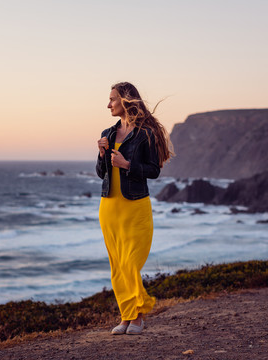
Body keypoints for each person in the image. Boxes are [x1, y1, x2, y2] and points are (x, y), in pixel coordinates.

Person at [96, 82, 174, 335]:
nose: (108, 105)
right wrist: (101, 155)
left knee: (130, 263)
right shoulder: (107, 133)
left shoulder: (145, 134)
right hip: (109, 206)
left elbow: (154, 170)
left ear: (126, 101)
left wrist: (127, 164)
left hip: (135, 205)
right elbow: (101, 173)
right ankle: (126, 316)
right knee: (118, 266)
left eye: (112, 99)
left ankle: (138, 317)